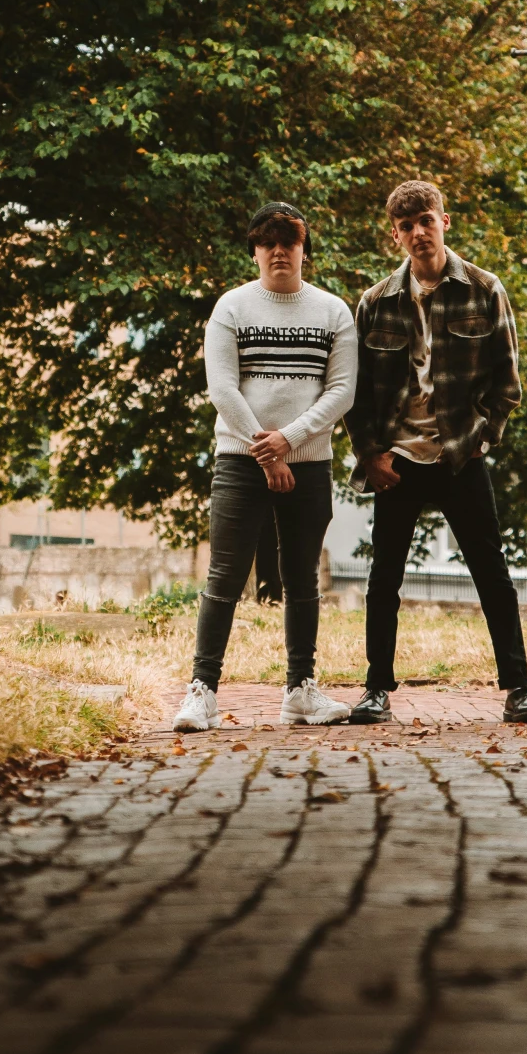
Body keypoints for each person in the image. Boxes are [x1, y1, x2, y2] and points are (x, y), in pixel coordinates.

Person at [346, 180, 527, 725]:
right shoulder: (375, 301)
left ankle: (518, 688)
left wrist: (478, 441)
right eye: (407, 226)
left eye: (426, 221)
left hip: (460, 454)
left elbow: (507, 385)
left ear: (444, 221)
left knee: (491, 571)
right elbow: (354, 393)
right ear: (395, 235)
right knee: (384, 577)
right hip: (397, 460)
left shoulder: (484, 288)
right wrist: (372, 455)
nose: (418, 233)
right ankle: (376, 689)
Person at [173, 202, 358, 732]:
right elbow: (222, 388)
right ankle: (201, 693)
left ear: (303, 249)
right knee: (224, 577)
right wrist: (266, 449)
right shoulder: (231, 308)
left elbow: (342, 391)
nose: (279, 250)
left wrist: (289, 441)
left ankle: (301, 691)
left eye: (289, 241)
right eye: (268, 241)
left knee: (302, 581)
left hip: (309, 464)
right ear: (254, 250)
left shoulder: (332, 312)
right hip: (239, 461)